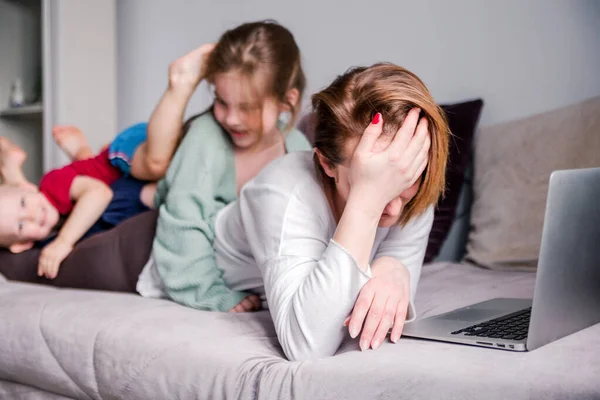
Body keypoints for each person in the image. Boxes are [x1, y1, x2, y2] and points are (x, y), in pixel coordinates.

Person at [141, 63, 450, 360]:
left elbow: (373, 294)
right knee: (99, 224)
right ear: (327, 163)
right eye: (369, 178)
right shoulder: (285, 191)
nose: (394, 205)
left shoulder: (412, 181)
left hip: (244, 241)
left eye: (402, 180)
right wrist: (367, 202)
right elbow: (306, 344)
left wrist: (393, 268)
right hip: (163, 254)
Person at [0, 41, 217, 279]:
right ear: (20, 246)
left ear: (28, 188)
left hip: (124, 153)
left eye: (23, 204)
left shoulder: (51, 187)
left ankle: (180, 80)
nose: (32, 215)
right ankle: (76, 152)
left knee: (157, 166)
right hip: (117, 169)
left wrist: (64, 242)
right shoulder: (47, 228)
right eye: (21, 225)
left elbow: (99, 194)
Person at [137, 20, 311, 313]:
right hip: (149, 239)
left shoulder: (296, 146)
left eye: (247, 107)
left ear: (286, 101)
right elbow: (182, 222)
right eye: (221, 102)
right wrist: (210, 293)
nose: (231, 118)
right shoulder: (207, 136)